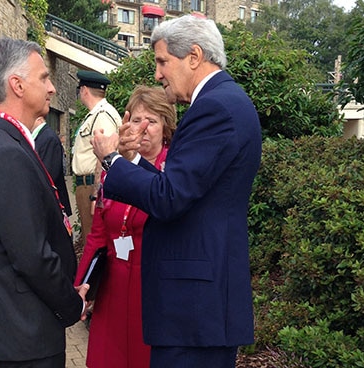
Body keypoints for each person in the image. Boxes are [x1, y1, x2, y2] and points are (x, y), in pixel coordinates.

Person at [90, 15, 262, 367]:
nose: (158, 74)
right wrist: (132, 161)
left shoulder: (214, 108)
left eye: (162, 61)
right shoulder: (223, 101)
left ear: (194, 57)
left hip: (195, 308)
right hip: (199, 305)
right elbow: (183, 188)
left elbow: (169, 198)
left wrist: (110, 159)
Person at [0, 36, 89, 368]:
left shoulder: (1, 141)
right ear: (17, 85)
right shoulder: (5, 152)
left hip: (20, 325)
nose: (51, 88)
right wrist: (71, 304)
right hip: (27, 329)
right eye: (44, 78)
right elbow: (31, 255)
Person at [75, 86, 176, 368]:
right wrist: (82, 284)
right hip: (113, 290)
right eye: (135, 120)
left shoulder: (173, 172)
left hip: (153, 292)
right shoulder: (115, 171)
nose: (142, 128)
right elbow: (98, 235)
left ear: (165, 127)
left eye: (152, 121)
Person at [71, 70, 121, 244]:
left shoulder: (102, 116)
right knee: (89, 239)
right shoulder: (97, 114)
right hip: (87, 186)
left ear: (84, 90)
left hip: (91, 186)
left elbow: (105, 156)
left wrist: (95, 195)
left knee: (93, 243)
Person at [33, 117, 72, 217]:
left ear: (39, 119)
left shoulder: (48, 138)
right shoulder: (41, 136)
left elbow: (48, 175)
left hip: (52, 204)